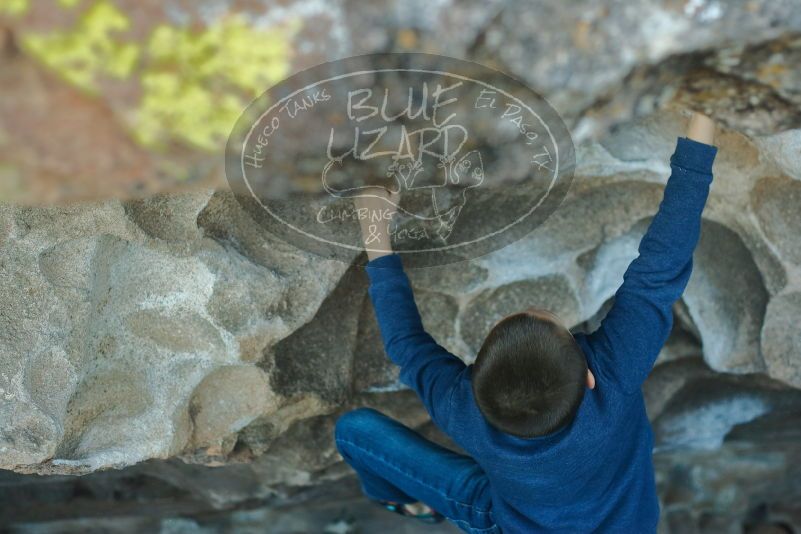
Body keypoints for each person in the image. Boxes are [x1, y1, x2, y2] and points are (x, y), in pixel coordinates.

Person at [334, 112, 718, 533]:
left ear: (476, 382)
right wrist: (701, 130)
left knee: (354, 433)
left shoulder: (461, 407)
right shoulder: (613, 375)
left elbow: (407, 344)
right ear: (588, 378)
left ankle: (401, 501)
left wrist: (375, 230)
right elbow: (658, 271)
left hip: (563, 522)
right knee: (356, 431)